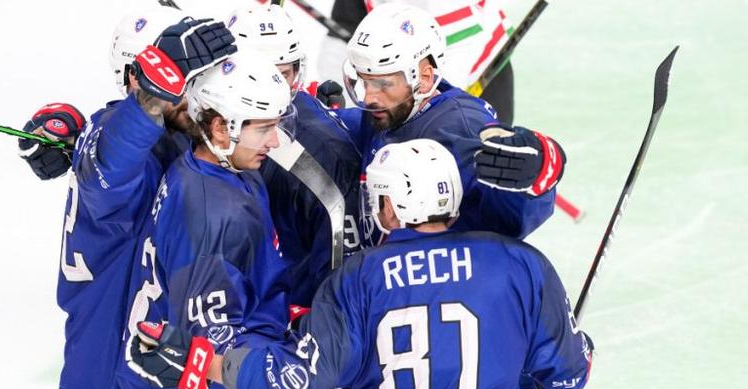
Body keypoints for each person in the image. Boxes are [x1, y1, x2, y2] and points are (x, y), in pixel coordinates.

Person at [126, 139, 594, 389]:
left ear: (390, 207)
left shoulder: (356, 280)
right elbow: (569, 379)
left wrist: (206, 363)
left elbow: (293, 387)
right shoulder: (522, 265)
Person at [30, 8, 234, 389]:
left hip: (134, 376)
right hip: (108, 383)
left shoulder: (151, 136)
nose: (190, 94)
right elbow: (111, 175)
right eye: (176, 79)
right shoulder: (116, 142)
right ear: (139, 80)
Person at [119, 50, 294, 389]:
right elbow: (211, 352)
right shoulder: (216, 217)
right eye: (262, 128)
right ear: (219, 126)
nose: (274, 142)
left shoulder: (210, 166)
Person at [341, 3, 564, 243]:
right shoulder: (389, 110)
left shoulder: (460, 131)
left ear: (424, 78)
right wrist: (321, 116)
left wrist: (535, 183)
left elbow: (511, 221)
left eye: (383, 84)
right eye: (365, 81)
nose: (368, 97)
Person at [226, 3, 366, 307]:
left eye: (282, 74)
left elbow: (341, 290)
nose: (273, 90)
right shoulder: (206, 125)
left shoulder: (322, 159)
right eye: (258, 76)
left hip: (283, 331)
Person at [316, 0, 516, 124]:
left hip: (478, 70)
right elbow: (342, 40)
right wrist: (342, 117)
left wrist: (432, 109)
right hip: (393, 73)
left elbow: (448, 64)